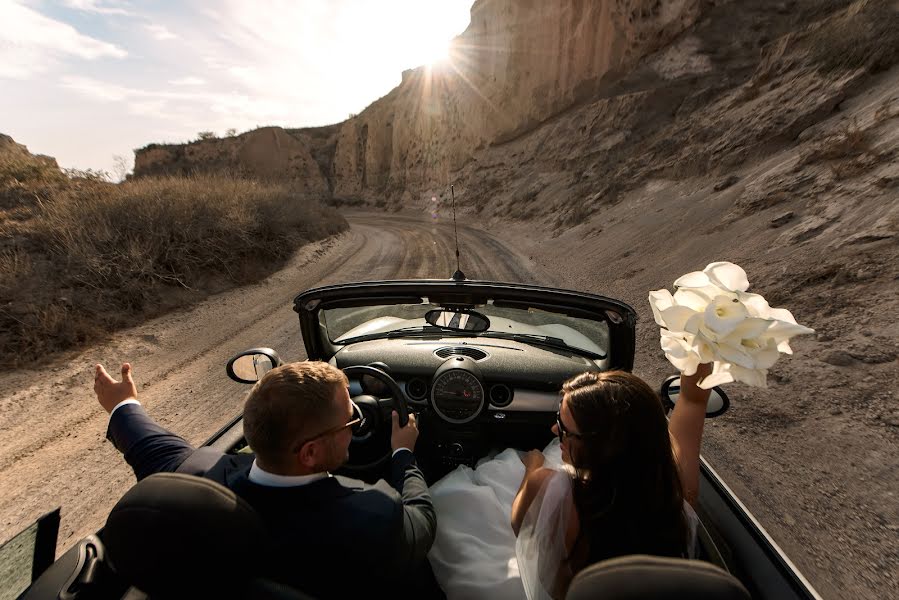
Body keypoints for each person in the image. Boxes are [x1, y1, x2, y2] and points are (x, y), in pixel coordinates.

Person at [95, 361, 437, 599]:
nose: (356, 425)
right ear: (310, 454)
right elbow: (421, 519)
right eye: (350, 423)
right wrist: (402, 454)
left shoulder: (193, 471)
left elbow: (144, 440)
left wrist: (123, 402)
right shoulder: (373, 519)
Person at [427, 364, 712, 600]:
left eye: (563, 429)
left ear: (602, 447)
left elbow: (520, 524)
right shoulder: (673, 495)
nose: (554, 430)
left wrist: (533, 467)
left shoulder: (552, 488)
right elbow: (693, 400)